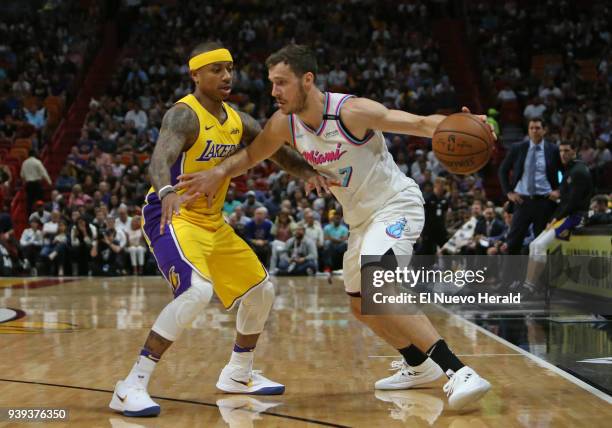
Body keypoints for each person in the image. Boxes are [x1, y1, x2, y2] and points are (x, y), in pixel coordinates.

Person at [177, 44, 493, 410]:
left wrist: (467, 123)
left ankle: (458, 371)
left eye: (281, 83)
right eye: (271, 83)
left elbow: (419, 123)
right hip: (359, 222)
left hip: (395, 205)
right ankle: (418, 365)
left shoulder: (352, 111)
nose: (274, 91)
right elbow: (252, 154)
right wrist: (217, 172)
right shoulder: (284, 124)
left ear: (307, 80)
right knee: (361, 307)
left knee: (380, 282)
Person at [109, 42, 326, 417]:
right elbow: (159, 159)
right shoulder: (183, 115)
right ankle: (131, 385)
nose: (227, 76)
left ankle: (238, 374)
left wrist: (308, 173)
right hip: (171, 216)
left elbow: (274, 149)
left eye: (230, 68)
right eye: (216, 70)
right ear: (195, 75)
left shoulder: (237, 120)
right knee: (196, 293)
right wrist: (165, 191)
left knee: (261, 292)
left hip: (211, 223)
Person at [515, 141, 592, 297]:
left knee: (540, 245)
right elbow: (565, 200)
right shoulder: (570, 170)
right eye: (561, 151)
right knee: (534, 245)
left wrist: (556, 217)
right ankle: (529, 285)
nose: (563, 154)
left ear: (574, 151)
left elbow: (573, 202)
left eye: (567, 150)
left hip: (575, 217)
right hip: (564, 215)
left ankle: (531, 286)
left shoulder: (579, 171)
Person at [498, 118, 562, 254]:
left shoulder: (553, 149)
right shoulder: (518, 148)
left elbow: (564, 172)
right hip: (522, 200)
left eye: (537, 128)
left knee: (542, 244)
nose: (534, 131)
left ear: (544, 130)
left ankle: (541, 275)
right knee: (513, 242)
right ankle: (511, 275)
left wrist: (558, 190)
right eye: (531, 128)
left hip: (544, 201)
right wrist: (509, 192)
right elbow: (503, 170)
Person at [20, 150, 52, 214]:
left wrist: (24, 183)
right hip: (36, 184)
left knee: (29, 201)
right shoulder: (37, 162)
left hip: (28, 184)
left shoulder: (24, 163)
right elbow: (44, 173)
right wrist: (49, 182)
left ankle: (29, 215)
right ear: (34, 154)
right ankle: (40, 214)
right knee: (39, 200)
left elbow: (22, 175)